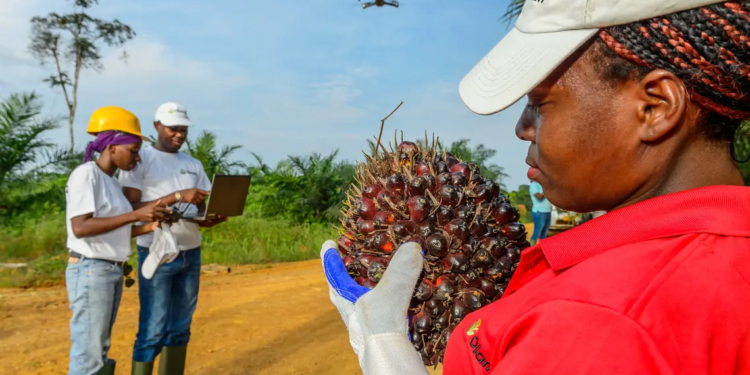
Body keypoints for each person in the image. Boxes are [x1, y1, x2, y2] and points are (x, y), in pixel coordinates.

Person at [320, 0, 750, 374]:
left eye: (540, 103)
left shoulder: (593, 322)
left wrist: (386, 352)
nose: (521, 128)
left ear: (655, 107)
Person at [118, 102, 226, 375]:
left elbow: (200, 206)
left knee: (180, 328)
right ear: (157, 127)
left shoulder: (193, 164)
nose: (179, 134)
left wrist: (209, 217)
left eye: (184, 129)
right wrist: (178, 196)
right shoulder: (139, 159)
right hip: (156, 251)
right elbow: (130, 209)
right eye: (173, 129)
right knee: (153, 328)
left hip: (191, 251)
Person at [65, 106, 169, 375]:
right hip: (91, 270)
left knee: (99, 350)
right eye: (133, 150)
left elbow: (112, 229)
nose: (137, 157)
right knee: (88, 357)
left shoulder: (110, 182)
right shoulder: (86, 174)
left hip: (107, 270)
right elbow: (81, 227)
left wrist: (149, 226)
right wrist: (135, 214)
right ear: (112, 146)